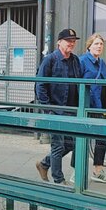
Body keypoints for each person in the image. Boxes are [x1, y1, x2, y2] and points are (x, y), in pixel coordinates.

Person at [35, 28, 83, 185]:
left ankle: (44, 164)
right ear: (59, 42)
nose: (71, 43)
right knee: (58, 145)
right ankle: (59, 180)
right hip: (56, 110)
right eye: (68, 40)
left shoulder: (75, 60)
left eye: (73, 41)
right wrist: (47, 108)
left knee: (70, 144)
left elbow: (80, 82)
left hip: (71, 110)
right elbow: (40, 84)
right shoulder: (50, 60)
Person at [79, 32, 106, 184]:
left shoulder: (102, 63)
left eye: (101, 44)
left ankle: (97, 171)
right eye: (96, 44)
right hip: (86, 105)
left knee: (101, 138)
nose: (99, 46)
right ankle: (76, 172)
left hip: (98, 105)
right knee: (81, 138)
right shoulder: (82, 61)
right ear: (89, 46)